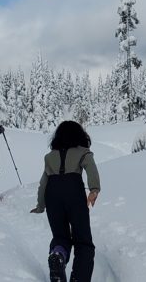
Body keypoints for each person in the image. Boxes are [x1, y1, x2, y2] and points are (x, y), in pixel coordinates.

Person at [29, 120, 100, 282]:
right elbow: (91, 169)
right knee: (83, 242)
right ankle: (79, 278)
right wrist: (94, 189)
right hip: (74, 192)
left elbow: (43, 183)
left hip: (52, 194)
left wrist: (41, 206)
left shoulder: (50, 157)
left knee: (60, 236)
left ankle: (58, 255)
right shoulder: (83, 152)